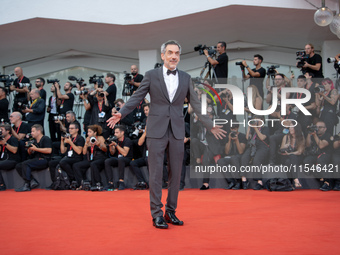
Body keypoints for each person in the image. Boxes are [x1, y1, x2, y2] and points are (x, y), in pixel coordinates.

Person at [107, 40, 226, 229]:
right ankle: (156, 214)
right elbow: (137, 97)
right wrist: (122, 113)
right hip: (156, 131)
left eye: (177, 53)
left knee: (176, 174)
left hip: (177, 132)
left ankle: (171, 212)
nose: (173, 56)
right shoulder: (151, 75)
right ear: (163, 55)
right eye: (170, 52)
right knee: (155, 174)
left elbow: (195, 104)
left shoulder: (186, 78)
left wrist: (210, 125)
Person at [47, 122, 85, 189]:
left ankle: (72, 178)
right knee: (52, 163)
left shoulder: (80, 138)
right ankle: (55, 183)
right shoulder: (69, 138)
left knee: (63, 162)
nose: (70, 130)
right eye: (69, 128)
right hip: (68, 157)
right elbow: (63, 151)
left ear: (77, 129)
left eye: (72, 128)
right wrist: (62, 141)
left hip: (76, 157)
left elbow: (79, 152)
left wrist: (70, 142)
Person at [15, 124, 52, 192]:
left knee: (25, 164)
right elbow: (30, 153)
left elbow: (49, 150)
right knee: (18, 165)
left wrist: (36, 149)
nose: (31, 133)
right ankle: (32, 181)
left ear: (38, 131)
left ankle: (27, 184)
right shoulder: (33, 141)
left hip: (44, 159)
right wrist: (29, 148)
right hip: (36, 159)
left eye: (33, 131)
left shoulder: (45, 138)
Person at [240, 115, 270, 190]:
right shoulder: (253, 129)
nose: (256, 121)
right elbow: (247, 138)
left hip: (262, 146)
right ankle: (244, 180)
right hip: (252, 146)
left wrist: (256, 128)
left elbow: (262, 137)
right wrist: (249, 128)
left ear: (262, 120)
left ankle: (259, 181)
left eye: (257, 120)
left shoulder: (265, 128)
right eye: (254, 120)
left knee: (257, 160)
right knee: (244, 158)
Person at [73, 125, 107, 190]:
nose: (88, 134)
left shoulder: (100, 138)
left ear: (95, 133)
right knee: (76, 165)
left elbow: (105, 149)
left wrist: (99, 144)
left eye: (90, 132)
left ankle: (98, 183)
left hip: (100, 158)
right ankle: (82, 183)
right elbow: (84, 153)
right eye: (88, 132)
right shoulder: (88, 140)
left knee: (93, 164)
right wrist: (86, 143)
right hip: (91, 159)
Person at [303, 121, 332, 191]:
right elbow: (307, 145)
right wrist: (309, 134)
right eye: (316, 127)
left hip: (325, 155)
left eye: (320, 127)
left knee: (320, 160)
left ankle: (327, 182)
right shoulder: (313, 135)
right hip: (315, 155)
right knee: (307, 161)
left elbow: (321, 145)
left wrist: (314, 135)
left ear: (325, 129)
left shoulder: (328, 136)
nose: (318, 129)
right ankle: (320, 178)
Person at [217, 124, 247, 190]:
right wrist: (229, 140)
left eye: (235, 128)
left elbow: (241, 151)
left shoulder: (242, 136)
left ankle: (238, 181)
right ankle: (231, 181)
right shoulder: (228, 136)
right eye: (232, 128)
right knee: (220, 161)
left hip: (239, 157)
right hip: (230, 157)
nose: (233, 130)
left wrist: (236, 140)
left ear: (238, 127)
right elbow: (226, 152)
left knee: (234, 158)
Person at [104, 125, 133, 190]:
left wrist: (116, 145)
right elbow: (112, 153)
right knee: (107, 161)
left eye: (117, 133)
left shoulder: (127, 140)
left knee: (121, 159)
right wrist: (110, 145)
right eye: (114, 133)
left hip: (127, 159)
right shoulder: (115, 140)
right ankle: (110, 182)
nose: (115, 134)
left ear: (122, 132)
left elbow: (125, 153)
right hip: (118, 158)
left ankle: (121, 182)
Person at [279, 123, 305, 189]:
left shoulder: (301, 138)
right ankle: (295, 180)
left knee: (291, 158)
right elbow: (281, 148)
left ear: (296, 129)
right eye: (290, 127)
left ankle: (291, 182)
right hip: (286, 157)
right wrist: (285, 146)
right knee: (288, 162)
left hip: (297, 157)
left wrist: (290, 154)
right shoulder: (286, 137)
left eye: (292, 127)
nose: (290, 128)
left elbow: (299, 152)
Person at [0, 124, 20, 191]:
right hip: (4, 159)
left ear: (8, 131)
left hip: (12, 160)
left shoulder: (13, 139)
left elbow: (14, 151)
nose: (0, 132)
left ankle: (1, 185)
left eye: (2, 130)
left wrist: (5, 144)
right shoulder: (1, 140)